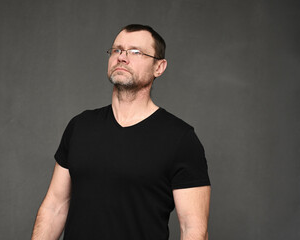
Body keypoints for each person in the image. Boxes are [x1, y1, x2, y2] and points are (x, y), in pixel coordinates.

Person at [32, 24, 211, 240]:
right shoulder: (81, 126)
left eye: (135, 52)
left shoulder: (180, 139)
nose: (122, 58)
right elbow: (55, 207)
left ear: (159, 67)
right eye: (117, 50)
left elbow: (193, 229)